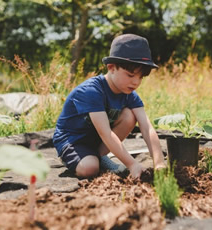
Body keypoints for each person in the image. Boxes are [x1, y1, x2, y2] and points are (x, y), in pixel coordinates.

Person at [53, 34, 166, 178]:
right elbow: (105, 132)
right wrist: (132, 164)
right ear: (111, 68)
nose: (136, 82)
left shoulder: (130, 95)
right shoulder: (91, 90)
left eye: (141, 77)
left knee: (130, 115)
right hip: (74, 140)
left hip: (98, 141)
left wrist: (159, 162)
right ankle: (84, 159)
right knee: (89, 169)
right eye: (130, 75)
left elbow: (147, 127)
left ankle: (99, 155)